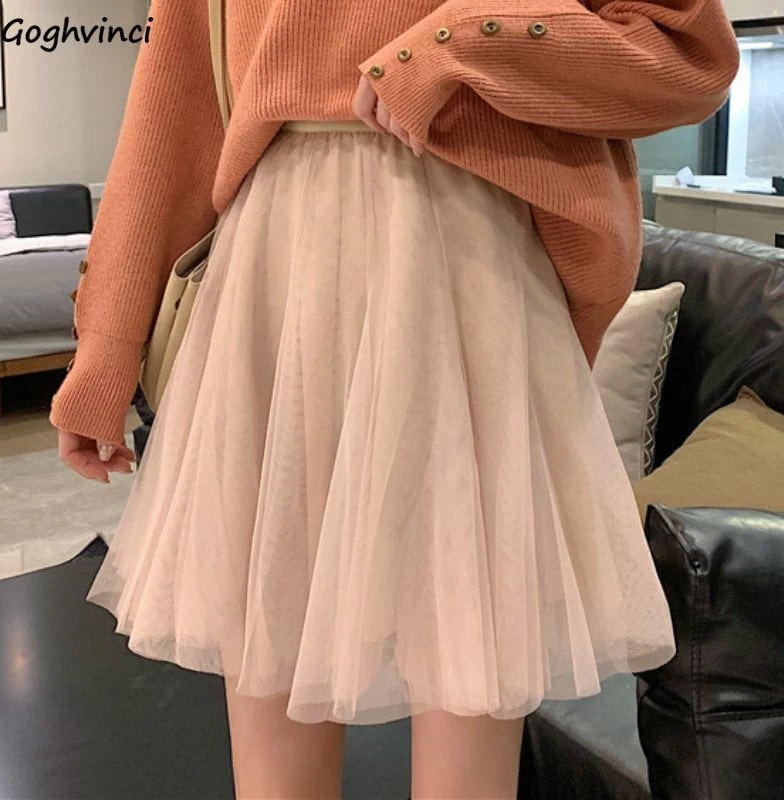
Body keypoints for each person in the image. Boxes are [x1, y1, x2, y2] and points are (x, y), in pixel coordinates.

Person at [49, 1, 739, 797]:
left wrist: (464, 44)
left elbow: (686, 53)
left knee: (466, 647)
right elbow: (176, 104)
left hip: (464, 247)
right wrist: (105, 345)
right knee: (278, 656)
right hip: (281, 267)